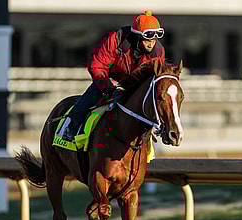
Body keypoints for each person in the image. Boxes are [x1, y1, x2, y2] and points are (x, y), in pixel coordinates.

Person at [63, 10, 166, 141]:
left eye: (154, 39)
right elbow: (97, 66)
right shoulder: (116, 39)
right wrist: (110, 89)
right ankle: (71, 125)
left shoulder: (158, 51)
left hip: (136, 85)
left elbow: (156, 77)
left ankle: (162, 129)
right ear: (137, 36)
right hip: (111, 80)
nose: (151, 43)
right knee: (95, 91)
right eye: (147, 39)